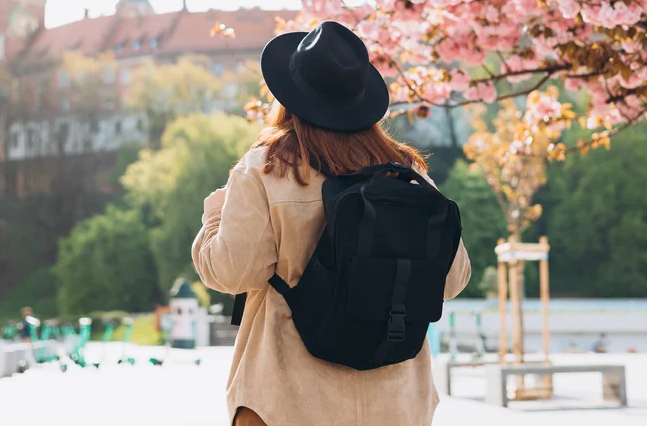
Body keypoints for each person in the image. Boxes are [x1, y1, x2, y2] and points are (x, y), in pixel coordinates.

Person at [193, 21, 471, 426]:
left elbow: (232, 272)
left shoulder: (267, 168)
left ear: (289, 97)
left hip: (287, 400)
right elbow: (453, 279)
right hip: (396, 404)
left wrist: (217, 212)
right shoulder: (406, 171)